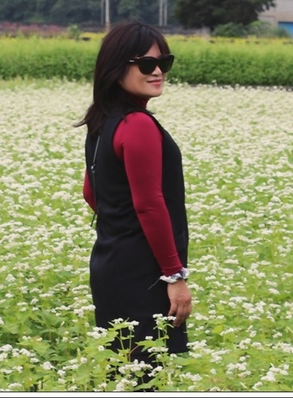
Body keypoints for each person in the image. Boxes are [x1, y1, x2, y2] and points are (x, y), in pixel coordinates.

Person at [78, 19, 191, 373]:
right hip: (145, 273)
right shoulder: (138, 124)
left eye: (164, 63)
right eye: (146, 64)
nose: (157, 71)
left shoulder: (102, 121)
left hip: (110, 265)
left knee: (123, 372)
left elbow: (90, 192)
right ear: (116, 68)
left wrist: (118, 222)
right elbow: (149, 204)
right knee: (146, 376)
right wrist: (174, 276)